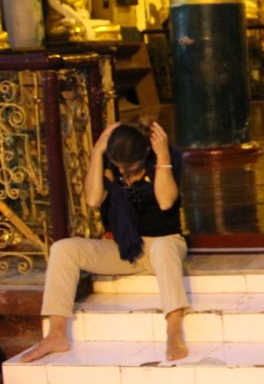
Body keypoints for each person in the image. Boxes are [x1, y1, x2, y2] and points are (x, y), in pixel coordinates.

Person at [21, 120, 188, 362]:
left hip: (163, 245)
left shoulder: (165, 156)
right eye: (119, 166)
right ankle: (56, 333)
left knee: (163, 248)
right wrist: (97, 151)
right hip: (125, 249)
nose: (124, 172)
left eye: (130, 167)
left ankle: (173, 331)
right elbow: (92, 199)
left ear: (145, 152)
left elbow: (165, 201)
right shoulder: (110, 163)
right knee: (63, 248)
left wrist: (162, 156)